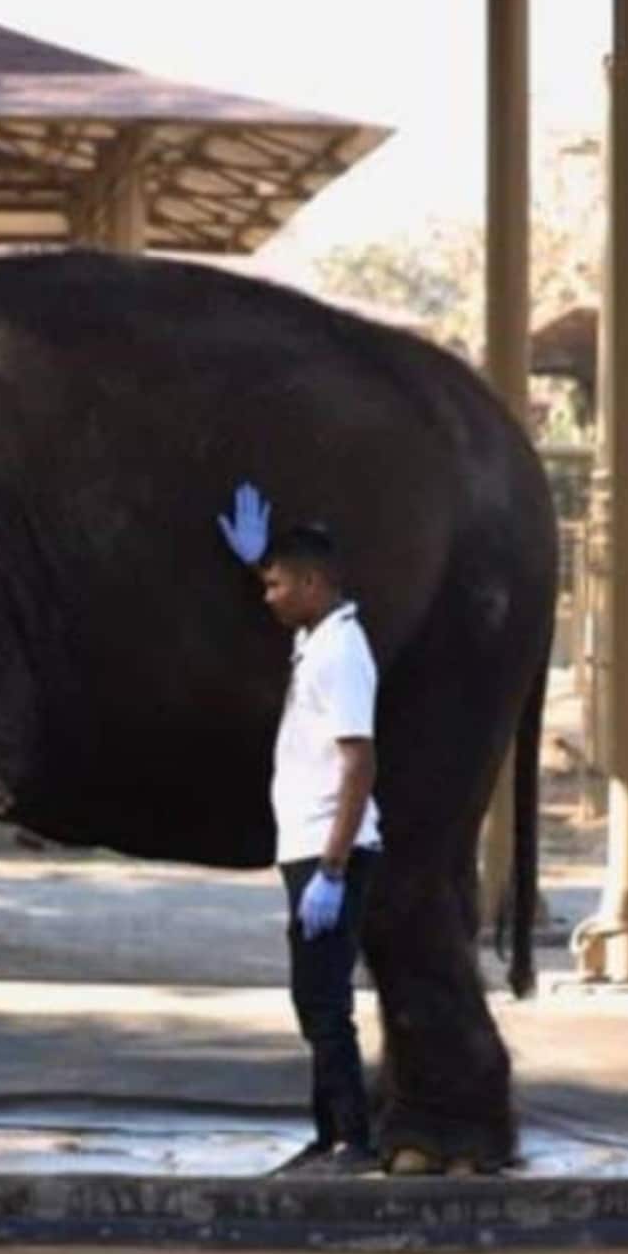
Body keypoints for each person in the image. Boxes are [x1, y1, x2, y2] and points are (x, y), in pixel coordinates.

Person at [219, 484, 382, 1177]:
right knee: (314, 998)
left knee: (323, 999)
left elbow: (359, 761)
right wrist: (255, 562)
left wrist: (334, 870)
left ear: (314, 584)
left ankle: (352, 1142)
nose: (269, 595)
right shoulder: (317, 639)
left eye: (278, 583)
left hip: (329, 848)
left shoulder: (342, 652)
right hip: (310, 847)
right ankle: (328, 1138)